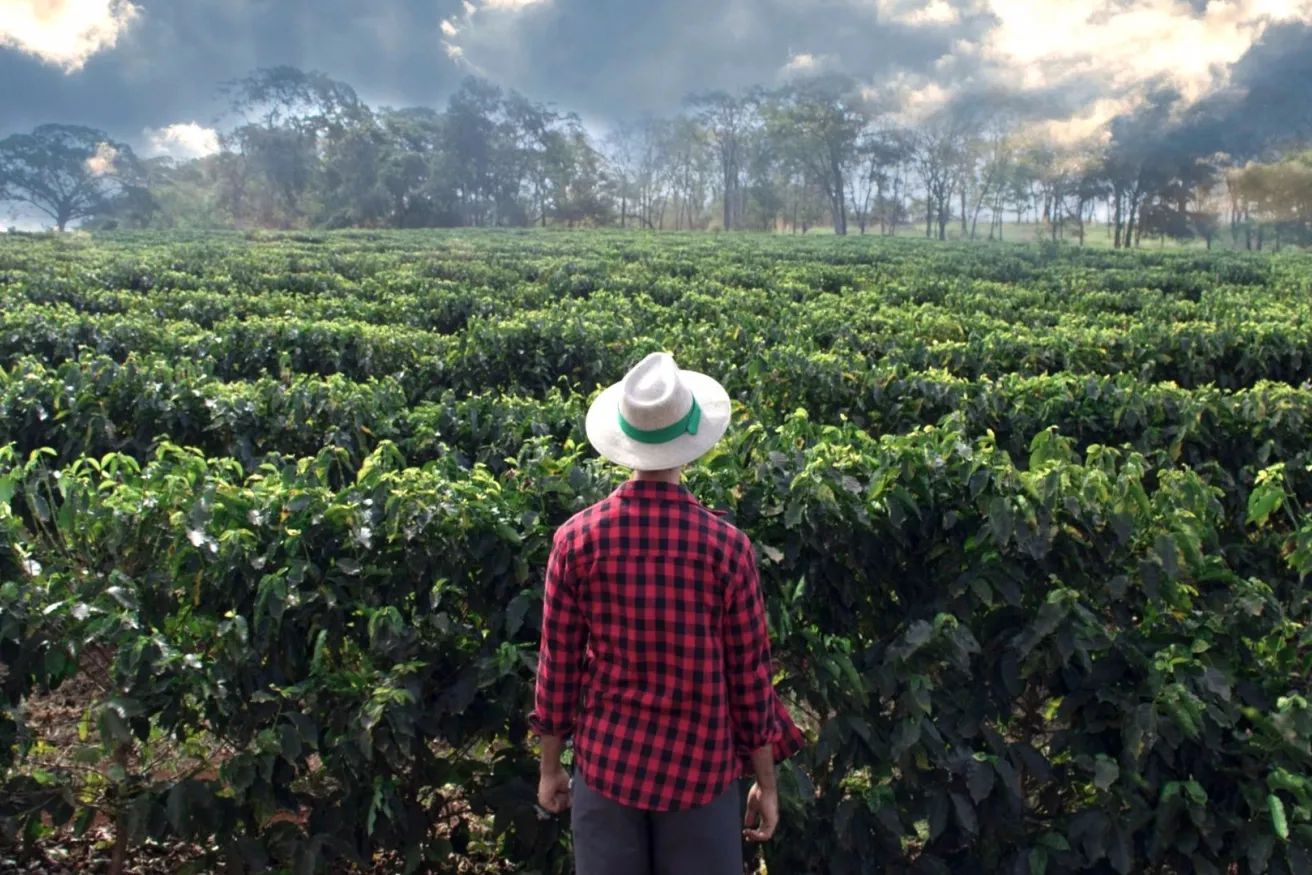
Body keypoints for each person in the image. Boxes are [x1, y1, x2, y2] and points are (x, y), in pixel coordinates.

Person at [530, 352, 805, 875]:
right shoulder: (727, 549)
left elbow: (558, 667)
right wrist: (766, 784)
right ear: (692, 441)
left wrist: (550, 769)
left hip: (607, 769)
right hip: (701, 776)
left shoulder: (576, 541)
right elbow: (749, 679)